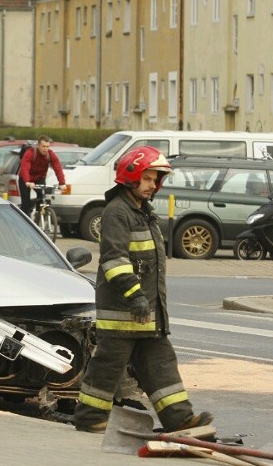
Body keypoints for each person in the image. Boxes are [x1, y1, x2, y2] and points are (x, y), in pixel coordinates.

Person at [73, 146, 213, 434]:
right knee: (108, 367)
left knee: (161, 365)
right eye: (149, 179)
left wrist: (148, 304)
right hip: (124, 312)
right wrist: (135, 295)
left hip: (146, 313)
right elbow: (114, 260)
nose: (154, 185)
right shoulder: (117, 212)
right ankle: (89, 418)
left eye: (156, 180)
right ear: (132, 177)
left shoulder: (142, 213)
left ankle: (179, 419)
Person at [18, 135, 67, 217]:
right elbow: (25, 168)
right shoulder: (30, 153)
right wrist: (27, 182)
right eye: (43, 146)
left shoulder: (50, 154)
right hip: (25, 178)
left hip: (39, 178)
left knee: (42, 198)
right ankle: (26, 218)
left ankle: (40, 216)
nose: (45, 149)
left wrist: (62, 183)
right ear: (38, 146)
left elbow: (57, 168)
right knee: (26, 203)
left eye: (47, 146)